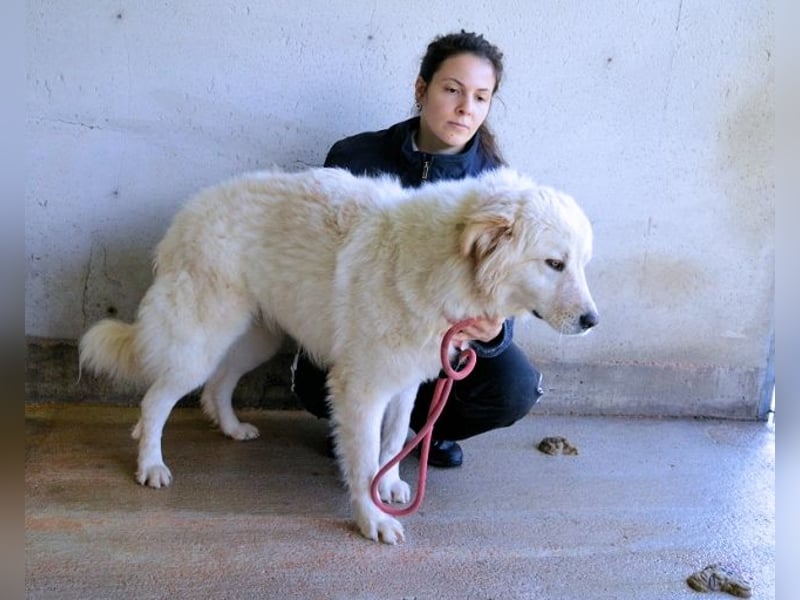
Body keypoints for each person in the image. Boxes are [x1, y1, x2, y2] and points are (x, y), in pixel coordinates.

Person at [291, 30, 544, 468]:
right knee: (327, 376)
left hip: (440, 349)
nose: (466, 108)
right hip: (360, 331)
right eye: (452, 90)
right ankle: (358, 426)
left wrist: (493, 332)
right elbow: (312, 258)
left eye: (481, 98)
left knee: (514, 386)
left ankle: (426, 431)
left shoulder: (497, 188)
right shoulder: (356, 156)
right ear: (421, 89)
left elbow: (507, 287)